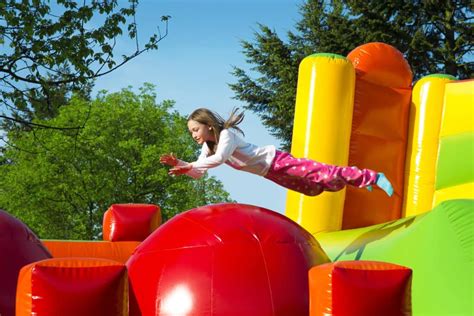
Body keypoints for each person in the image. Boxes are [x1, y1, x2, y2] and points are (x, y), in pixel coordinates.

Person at [160, 108, 394, 197]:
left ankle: (371, 177)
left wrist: (189, 165)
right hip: (267, 173)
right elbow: (200, 173)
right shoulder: (206, 148)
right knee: (312, 189)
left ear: (208, 125)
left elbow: (219, 160)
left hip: (276, 160)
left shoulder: (227, 136)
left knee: (323, 174)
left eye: (195, 129)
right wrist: (182, 164)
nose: (194, 135)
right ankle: (355, 182)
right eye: (191, 132)